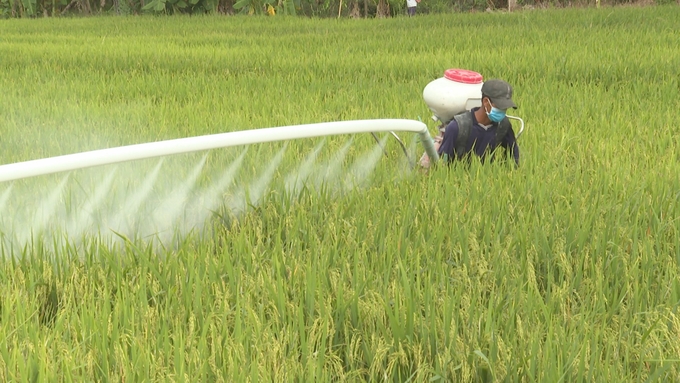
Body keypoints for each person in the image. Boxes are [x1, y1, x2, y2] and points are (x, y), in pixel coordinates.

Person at [419, 79, 520, 168]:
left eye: (505, 108)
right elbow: (444, 163)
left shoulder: (503, 125)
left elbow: (513, 155)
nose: (503, 111)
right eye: (500, 107)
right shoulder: (457, 127)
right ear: (486, 102)